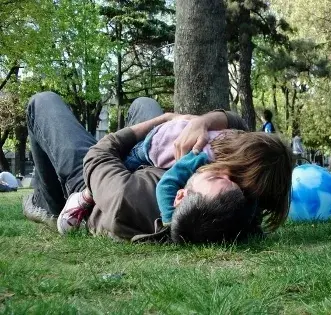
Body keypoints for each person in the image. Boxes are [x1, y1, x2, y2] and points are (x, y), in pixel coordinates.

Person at [23, 92, 268, 243]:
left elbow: (99, 155)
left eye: (215, 177)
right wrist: (203, 123)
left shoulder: (127, 198)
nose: (221, 170)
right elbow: (241, 127)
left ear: (180, 197)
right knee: (144, 102)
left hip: (94, 185)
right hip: (144, 162)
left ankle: (46, 201)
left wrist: (163, 120)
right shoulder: (230, 207)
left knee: (42, 102)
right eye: (231, 179)